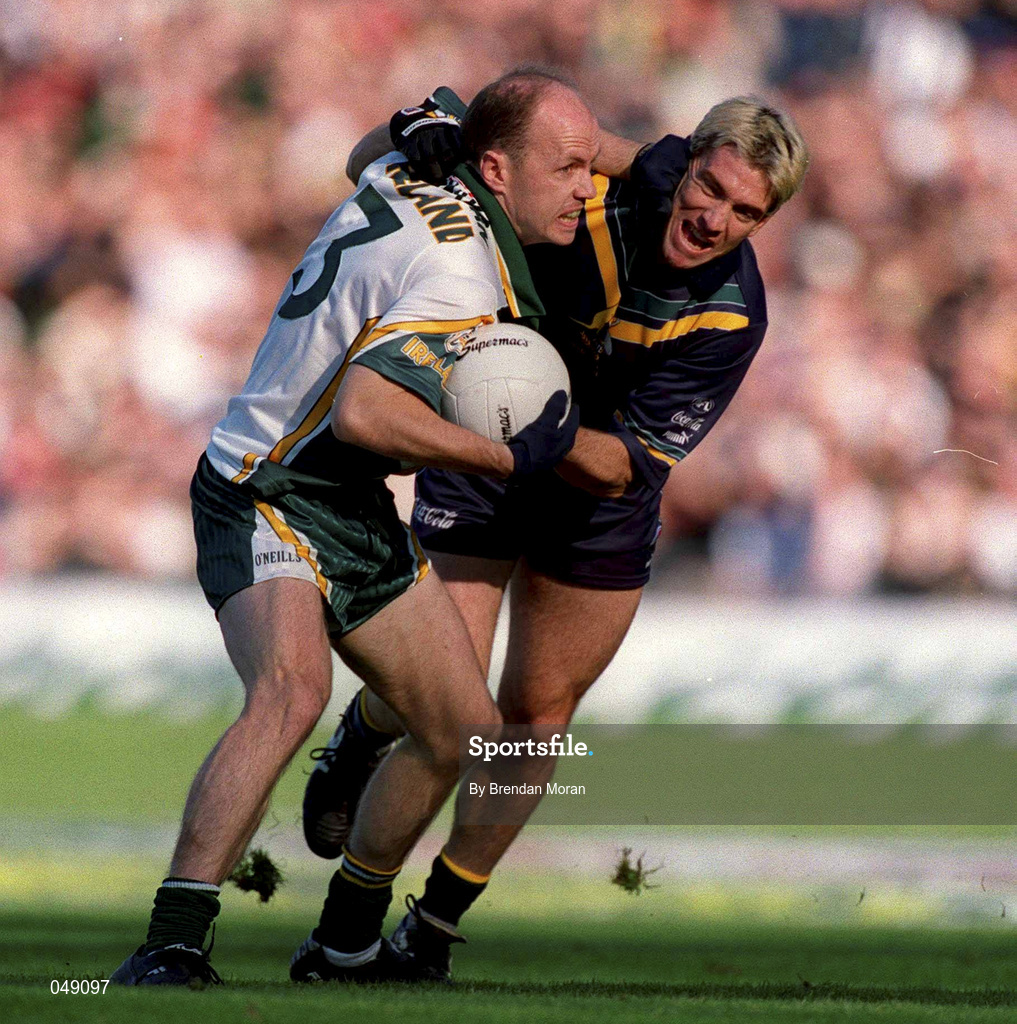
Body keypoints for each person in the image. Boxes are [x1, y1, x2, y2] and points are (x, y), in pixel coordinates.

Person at [304, 85, 809, 979]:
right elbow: (405, 155)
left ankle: (432, 930)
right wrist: (424, 129)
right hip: (484, 457)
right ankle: (348, 897)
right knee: (447, 695)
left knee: (535, 720)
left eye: (746, 213)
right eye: (710, 188)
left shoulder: (733, 314)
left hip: (593, 490)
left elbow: (626, 466)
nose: (715, 220)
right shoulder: (618, 182)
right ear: (683, 162)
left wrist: (547, 431)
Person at [108, 70, 595, 987]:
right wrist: (504, 457)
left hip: (346, 501)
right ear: (497, 169)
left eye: (589, 166)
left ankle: (342, 947)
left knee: (461, 731)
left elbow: (366, 157)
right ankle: (169, 942)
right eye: (566, 167)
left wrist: (402, 129)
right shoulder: (461, 273)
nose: (585, 187)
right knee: (292, 691)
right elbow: (365, 414)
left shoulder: (422, 171)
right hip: (263, 483)